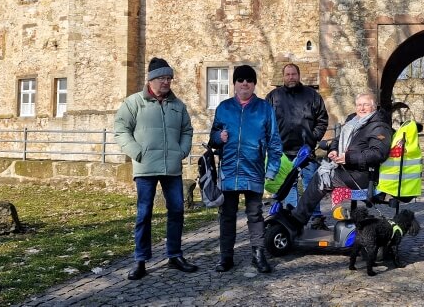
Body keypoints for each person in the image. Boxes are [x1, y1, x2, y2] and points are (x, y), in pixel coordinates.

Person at [114, 57, 198, 280]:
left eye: (169, 78)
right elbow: (121, 129)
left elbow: (187, 130)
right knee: (144, 214)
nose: (166, 82)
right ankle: (140, 260)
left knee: (177, 212)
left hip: (172, 167)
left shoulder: (178, 106)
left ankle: (174, 255)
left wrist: (181, 151)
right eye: (162, 78)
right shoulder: (133, 103)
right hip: (145, 168)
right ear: (150, 80)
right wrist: (137, 152)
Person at [210, 64, 283, 274]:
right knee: (227, 215)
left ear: (254, 84)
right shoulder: (223, 108)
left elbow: (274, 142)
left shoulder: (265, 108)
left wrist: (272, 169)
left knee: (255, 215)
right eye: (240, 80)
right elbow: (213, 138)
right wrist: (218, 137)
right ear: (234, 84)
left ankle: (258, 255)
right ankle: (226, 257)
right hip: (230, 171)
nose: (245, 84)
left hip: (254, 170)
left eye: (249, 81)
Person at [288, 92, 392, 228]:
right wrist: (334, 151)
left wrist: (348, 158)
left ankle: (297, 219)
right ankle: (304, 215)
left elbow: (378, 153)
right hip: (348, 169)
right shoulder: (353, 121)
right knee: (322, 172)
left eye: (366, 105)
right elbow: (337, 140)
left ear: (374, 107)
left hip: (363, 175)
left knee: (321, 176)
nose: (362, 108)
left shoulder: (379, 127)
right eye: (359, 105)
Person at [266, 63, 329, 229]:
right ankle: (292, 218)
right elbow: (265, 122)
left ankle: (315, 218)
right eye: (287, 74)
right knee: (288, 186)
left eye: (293, 74)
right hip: (282, 151)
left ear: (298, 75)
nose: (291, 77)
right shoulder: (274, 96)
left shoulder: (312, 96)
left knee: (312, 185)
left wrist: (312, 138)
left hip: (306, 150)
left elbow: (322, 119)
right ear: (283, 77)